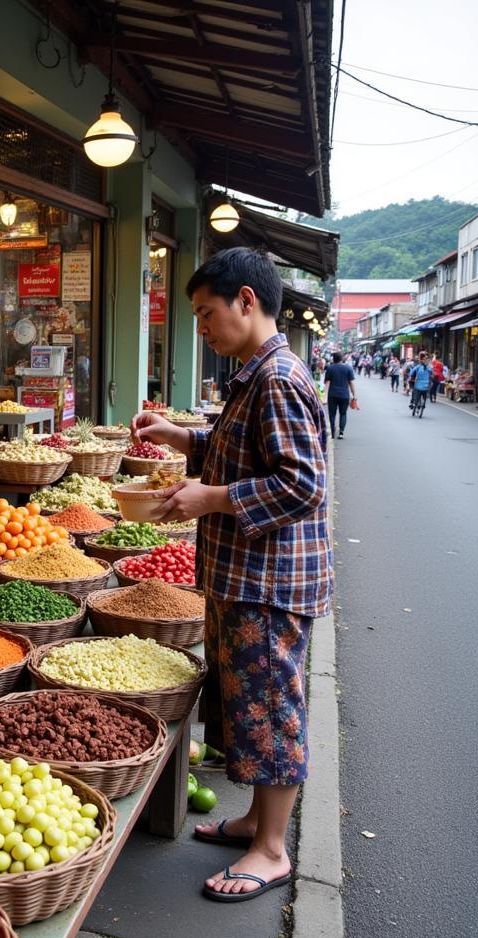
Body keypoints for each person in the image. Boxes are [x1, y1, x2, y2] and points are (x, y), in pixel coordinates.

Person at [131, 247, 332, 903]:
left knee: (272, 711)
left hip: (268, 583)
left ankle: (271, 850)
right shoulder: (257, 372)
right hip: (244, 576)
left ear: (247, 301)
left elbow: (302, 484)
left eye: (206, 312)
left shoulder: (279, 378)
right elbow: (240, 442)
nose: (202, 327)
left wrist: (210, 497)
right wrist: (182, 438)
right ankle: (254, 821)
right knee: (248, 707)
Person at [323, 352, 356, 439]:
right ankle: (341, 432)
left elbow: (326, 382)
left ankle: (333, 432)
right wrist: (354, 395)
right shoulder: (348, 368)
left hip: (332, 395)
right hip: (344, 395)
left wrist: (324, 395)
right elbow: (351, 383)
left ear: (333, 359)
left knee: (332, 414)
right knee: (343, 413)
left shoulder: (330, 368)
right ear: (342, 359)